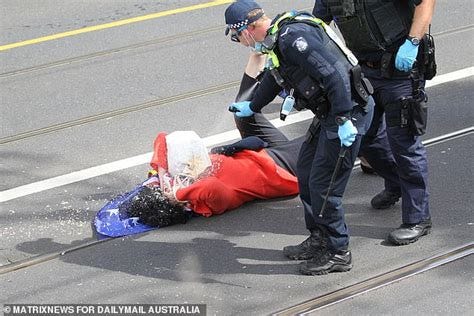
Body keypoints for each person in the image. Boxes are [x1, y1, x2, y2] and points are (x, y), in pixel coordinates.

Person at [224, 0, 374, 275]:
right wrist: (253, 106)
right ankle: (319, 238)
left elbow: (337, 77)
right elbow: (274, 76)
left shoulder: (294, 39)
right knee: (305, 170)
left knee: (324, 185)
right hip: (331, 113)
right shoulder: (279, 40)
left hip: (347, 114)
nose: (241, 43)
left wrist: (342, 119)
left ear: (248, 28)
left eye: (238, 37)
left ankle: (338, 251)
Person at [312, 0, 436, 245]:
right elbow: (320, 26)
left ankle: (418, 219)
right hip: (363, 72)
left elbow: (426, 3)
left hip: (401, 69)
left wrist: (412, 43)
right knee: (365, 138)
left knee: (404, 144)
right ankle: (396, 183)